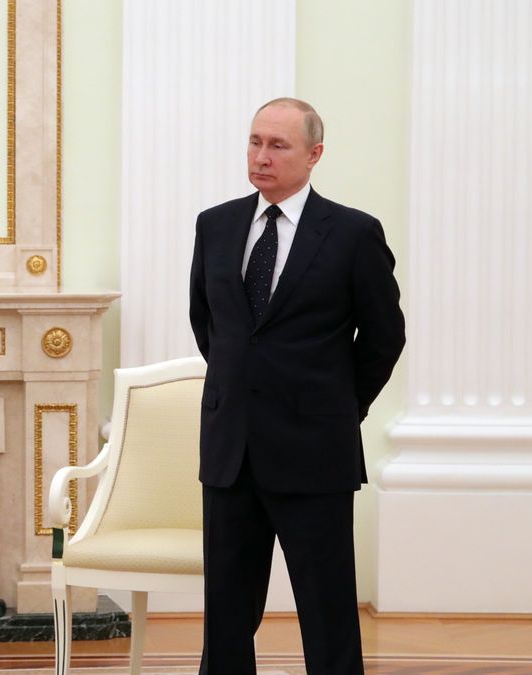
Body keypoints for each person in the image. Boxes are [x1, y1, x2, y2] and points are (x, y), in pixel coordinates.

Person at [188, 98, 405, 674]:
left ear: (314, 155)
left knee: (327, 608)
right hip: (231, 449)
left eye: (278, 146)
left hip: (315, 450)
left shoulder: (354, 233)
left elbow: (384, 337)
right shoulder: (216, 225)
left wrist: (337, 407)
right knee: (227, 612)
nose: (262, 157)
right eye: (255, 142)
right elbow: (209, 324)